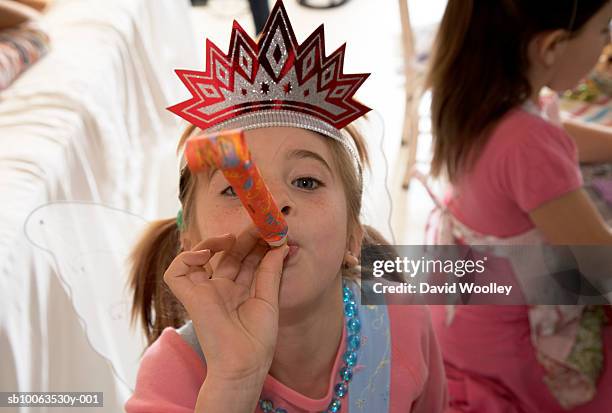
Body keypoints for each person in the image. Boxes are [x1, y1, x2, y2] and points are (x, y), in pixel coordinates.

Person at [125, 2, 447, 412]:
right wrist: (233, 382)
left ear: (353, 234)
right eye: (233, 189)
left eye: (306, 181)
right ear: (190, 242)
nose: (273, 204)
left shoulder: (407, 322)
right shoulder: (171, 376)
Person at [424, 0, 612, 412]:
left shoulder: (481, 97)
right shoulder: (528, 145)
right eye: (604, 30)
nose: (606, 42)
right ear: (551, 47)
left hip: (470, 316)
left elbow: (557, 134)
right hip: (515, 348)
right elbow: (600, 264)